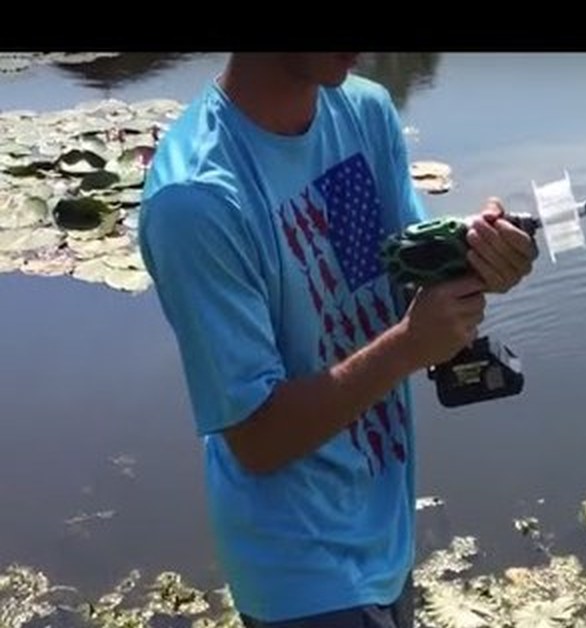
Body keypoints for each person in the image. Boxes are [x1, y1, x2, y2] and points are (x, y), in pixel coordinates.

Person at [137, 53, 536, 628]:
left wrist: (475, 261)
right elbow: (257, 437)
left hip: (385, 535)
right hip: (297, 575)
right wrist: (408, 346)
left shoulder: (362, 111)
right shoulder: (194, 203)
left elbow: (396, 276)